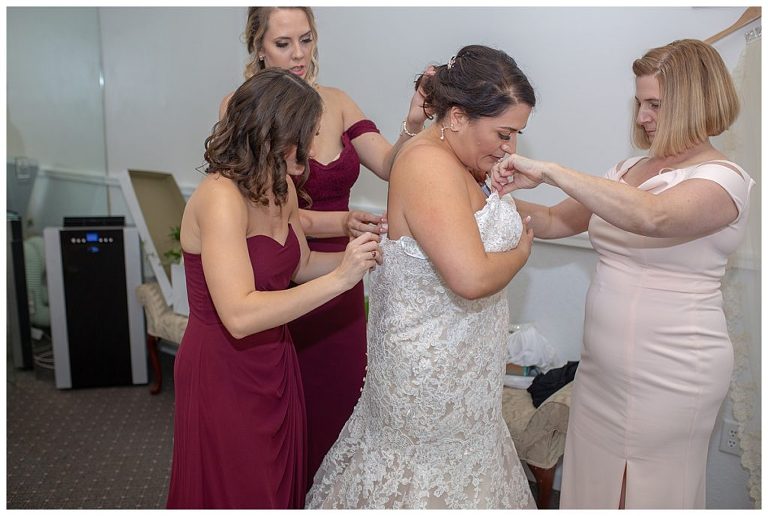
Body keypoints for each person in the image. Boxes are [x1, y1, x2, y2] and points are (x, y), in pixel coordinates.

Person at [492, 39, 755, 509]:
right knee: (593, 485)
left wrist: (550, 170)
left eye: (655, 104)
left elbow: (653, 217)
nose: (642, 117)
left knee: (652, 492)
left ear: (693, 102)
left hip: (675, 372)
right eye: (640, 102)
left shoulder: (724, 179)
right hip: (602, 371)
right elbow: (554, 221)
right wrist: (481, 196)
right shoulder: (627, 170)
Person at [306, 45, 537, 509]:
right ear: (455, 117)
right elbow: (469, 278)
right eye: (504, 133)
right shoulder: (427, 163)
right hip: (428, 373)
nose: (509, 147)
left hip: (464, 368)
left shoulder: (461, 164)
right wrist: (521, 252)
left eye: (516, 135)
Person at [219, 7, 431, 486]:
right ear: (257, 45)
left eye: (306, 40)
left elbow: (392, 164)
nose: (298, 55)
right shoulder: (243, 107)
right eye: (283, 43)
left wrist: (414, 122)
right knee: (282, 415)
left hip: (341, 270)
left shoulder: (335, 101)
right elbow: (256, 209)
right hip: (281, 266)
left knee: (340, 402)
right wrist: (340, 220)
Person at [166, 68, 381, 509]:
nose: (308, 150)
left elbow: (299, 264)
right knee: (237, 491)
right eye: (302, 137)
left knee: (277, 487)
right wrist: (342, 278)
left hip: (276, 363)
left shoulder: (280, 185)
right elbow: (240, 315)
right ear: (271, 134)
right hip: (222, 369)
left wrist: (363, 259)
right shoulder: (219, 197)